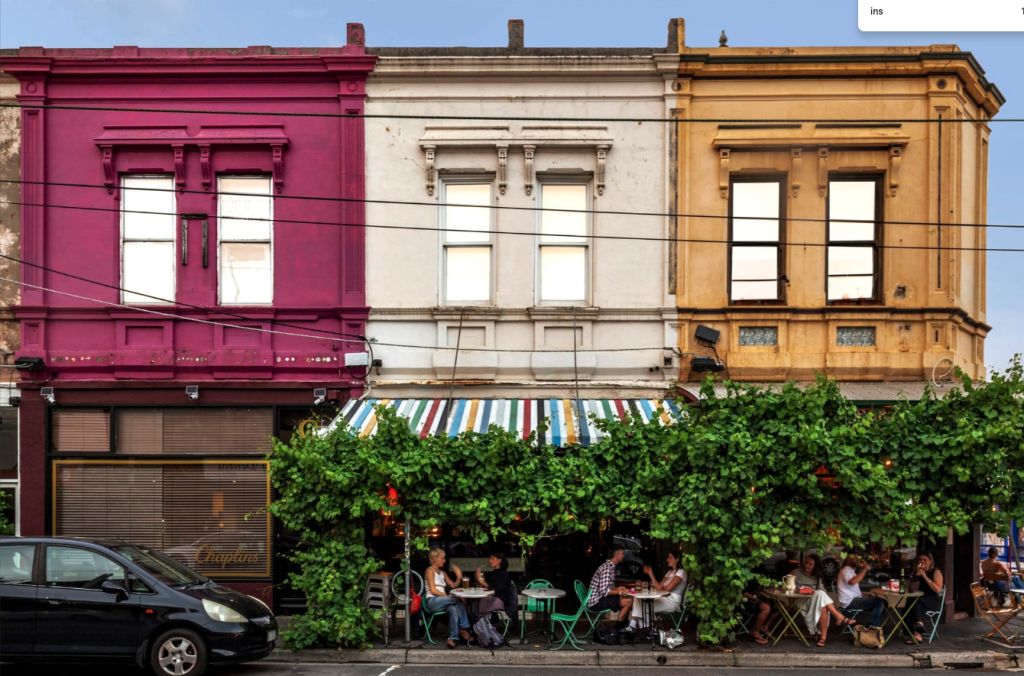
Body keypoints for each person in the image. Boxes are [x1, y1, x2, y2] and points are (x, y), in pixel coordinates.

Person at [789, 554, 857, 647]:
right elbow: (788, 588)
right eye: (806, 563)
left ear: (815, 566)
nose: (807, 565)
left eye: (810, 564)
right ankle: (839, 617)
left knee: (823, 604)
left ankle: (823, 637)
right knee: (820, 595)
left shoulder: (817, 577)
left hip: (814, 601)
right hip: (798, 601)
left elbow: (823, 592)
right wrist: (799, 590)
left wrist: (813, 591)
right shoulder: (795, 572)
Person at [424, 547, 472, 649]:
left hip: (444, 601)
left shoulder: (443, 573)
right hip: (433, 601)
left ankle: (452, 637)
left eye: (444, 558)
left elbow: (453, 586)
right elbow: (433, 590)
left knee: (453, 608)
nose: (444, 561)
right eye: (442, 558)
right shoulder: (429, 571)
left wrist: (459, 576)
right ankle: (463, 628)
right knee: (457, 598)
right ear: (434, 559)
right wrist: (448, 597)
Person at [627, 549, 687, 629]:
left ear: (677, 559)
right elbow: (659, 587)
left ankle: (641, 626)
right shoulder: (669, 573)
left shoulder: (681, 572)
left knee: (646, 606)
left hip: (672, 601)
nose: (667, 559)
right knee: (637, 599)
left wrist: (653, 577)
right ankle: (640, 626)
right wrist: (650, 574)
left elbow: (667, 589)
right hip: (664, 598)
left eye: (670, 557)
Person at [587, 545, 634, 626]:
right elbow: (604, 591)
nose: (623, 556)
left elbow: (608, 588)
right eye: (622, 554)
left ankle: (622, 627)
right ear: (616, 555)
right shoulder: (607, 568)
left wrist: (618, 588)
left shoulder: (610, 567)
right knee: (629, 601)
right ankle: (618, 628)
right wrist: (620, 592)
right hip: (596, 602)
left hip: (600, 598)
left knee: (628, 599)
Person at [836, 554, 886, 629]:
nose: (857, 560)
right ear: (848, 560)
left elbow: (853, 590)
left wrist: (866, 595)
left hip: (853, 599)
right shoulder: (846, 570)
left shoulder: (851, 571)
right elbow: (852, 581)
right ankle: (872, 627)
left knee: (882, 603)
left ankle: (870, 626)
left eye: (857, 558)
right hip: (849, 602)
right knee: (879, 603)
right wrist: (865, 569)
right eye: (854, 558)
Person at [906, 552, 944, 643]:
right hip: (920, 600)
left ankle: (917, 632)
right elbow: (912, 590)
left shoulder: (936, 571)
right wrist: (916, 577)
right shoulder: (917, 572)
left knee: (915, 602)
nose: (922, 562)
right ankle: (916, 630)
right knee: (910, 601)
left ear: (930, 561)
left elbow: (937, 590)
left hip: (932, 601)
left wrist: (925, 576)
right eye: (920, 560)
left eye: (925, 560)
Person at [475, 551, 517, 629]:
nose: (490, 561)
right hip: (492, 598)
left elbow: (497, 589)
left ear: (499, 560)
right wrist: (478, 578)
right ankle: (486, 626)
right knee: (474, 604)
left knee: (476, 607)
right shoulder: (493, 573)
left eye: (492, 558)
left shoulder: (505, 574)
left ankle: (483, 629)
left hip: (500, 600)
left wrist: (483, 582)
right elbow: (485, 587)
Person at [742, 570, 774, 645]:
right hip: (745, 599)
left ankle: (765, 626)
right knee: (766, 608)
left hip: (756, 596)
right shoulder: (742, 572)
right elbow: (743, 592)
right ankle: (755, 632)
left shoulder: (759, 568)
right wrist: (755, 598)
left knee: (780, 604)